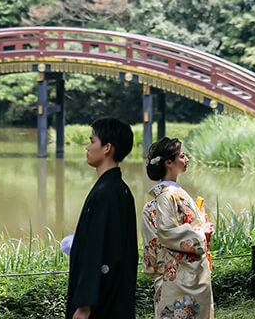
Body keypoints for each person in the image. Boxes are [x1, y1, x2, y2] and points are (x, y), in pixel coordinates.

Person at [66, 117, 138, 319]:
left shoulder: (106, 192)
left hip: (99, 304)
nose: (87, 147)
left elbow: (95, 250)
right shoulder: (120, 189)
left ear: (107, 148)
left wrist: (84, 305)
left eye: (92, 141)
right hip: (115, 295)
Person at [141, 137, 214, 319]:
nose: (186, 159)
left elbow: (153, 246)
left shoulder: (153, 204)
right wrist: (200, 231)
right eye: (182, 156)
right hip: (181, 278)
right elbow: (167, 233)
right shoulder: (168, 197)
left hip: (177, 273)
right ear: (168, 163)